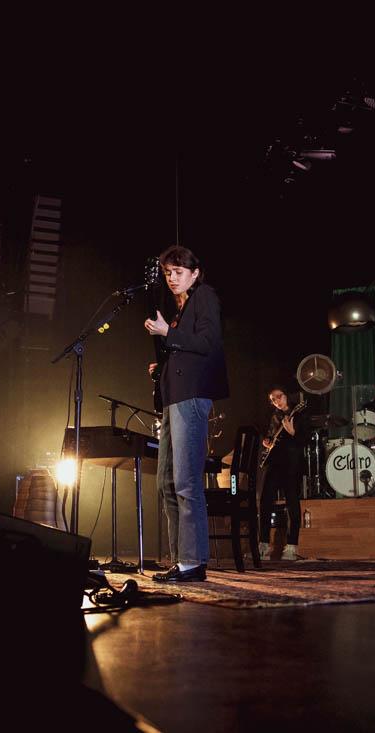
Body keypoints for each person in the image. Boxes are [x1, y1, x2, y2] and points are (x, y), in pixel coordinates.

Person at [143, 245, 229, 582]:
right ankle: (181, 559)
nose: (172, 278)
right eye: (168, 273)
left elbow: (208, 342)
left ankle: (193, 562)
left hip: (191, 398)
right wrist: (161, 369)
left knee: (185, 480)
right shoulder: (182, 309)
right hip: (173, 399)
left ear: (194, 273)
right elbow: (185, 349)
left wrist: (169, 334)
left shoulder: (204, 296)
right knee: (167, 482)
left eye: (178, 272)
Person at [259, 386, 308, 561]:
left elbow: (304, 440)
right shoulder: (274, 416)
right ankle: (263, 545)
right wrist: (267, 442)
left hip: (291, 463)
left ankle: (291, 547)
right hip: (274, 462)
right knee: (265, 501)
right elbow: (271, 436)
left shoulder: (299, 413)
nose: (276, 401)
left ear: (286, 395)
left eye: (278, 397)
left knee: (292, 503)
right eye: (273, 400)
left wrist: (292, 432)